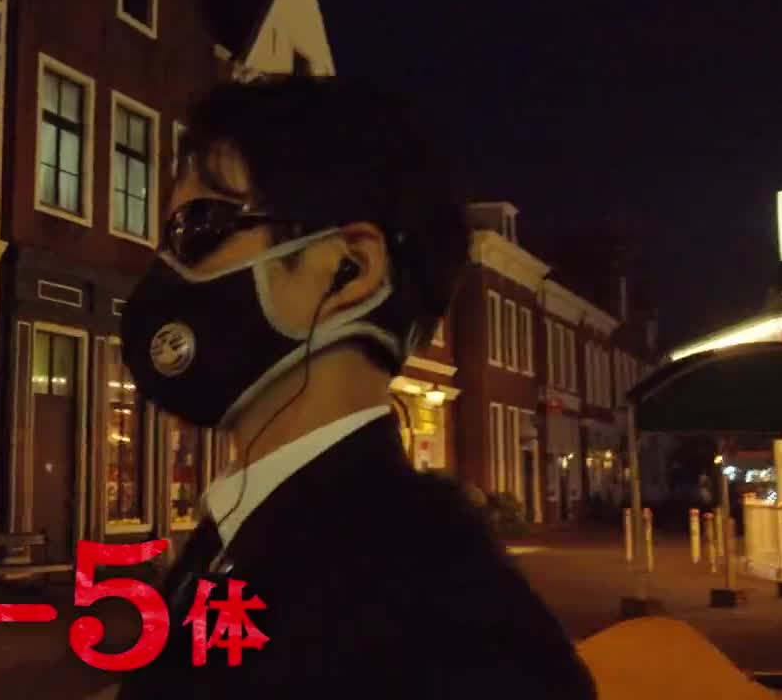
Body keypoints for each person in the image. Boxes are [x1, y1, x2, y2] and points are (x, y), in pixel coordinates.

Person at [103, 75, 597, 698]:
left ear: (348, 270)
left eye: (198, 226)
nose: (165, 270)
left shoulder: (446, 633)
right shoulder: (242, 534)